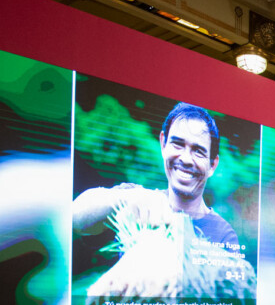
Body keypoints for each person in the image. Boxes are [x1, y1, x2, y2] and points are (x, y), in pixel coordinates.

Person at [73, 102, 238, 247]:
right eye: (178, 144)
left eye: (198, 151)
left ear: (212, 165)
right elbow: (76, 219)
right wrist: (126, 199)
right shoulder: (137, 199)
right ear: (163, 144)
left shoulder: (223, 234)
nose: (186, 159)